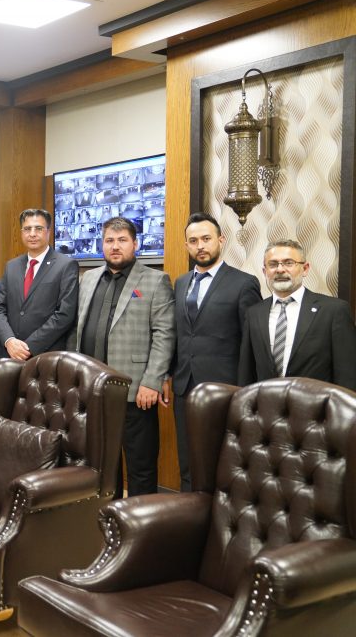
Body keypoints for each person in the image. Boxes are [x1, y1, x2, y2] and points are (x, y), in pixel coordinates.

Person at [69, 216, 174, 497]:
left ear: (135, 244)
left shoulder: (155, 280)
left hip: (136, 390)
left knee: (140, 466)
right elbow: (78, 328)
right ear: (102, 245)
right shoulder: (88, 279)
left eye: (122, 240)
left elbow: (164, 334)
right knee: (104, 466)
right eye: (109, 241)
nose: (115, 246)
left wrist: (152, 381)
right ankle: (108, 517)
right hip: (93, 390)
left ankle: (140, 522)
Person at [162, 212, 260, 491]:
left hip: (225, 388)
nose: (200, 246)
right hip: (185, 386)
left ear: (221, 240)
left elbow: (251, 341)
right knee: (188, 460)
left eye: (206, 239)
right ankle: (188, 511)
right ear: (186, 246)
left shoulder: (244, 283)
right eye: (193, 241)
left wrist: (246, 389)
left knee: (223, 462)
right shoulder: (181, 283)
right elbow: (179, 334)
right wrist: (168, 375)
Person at [239, 239, 356, 390]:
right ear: (264, 271)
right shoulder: (254, 313)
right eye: (273, 264)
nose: (280, 270)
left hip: (315, 403)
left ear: (305, 269)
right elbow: (246, 372)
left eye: (288, 263)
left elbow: (347, 374)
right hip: (267, 403)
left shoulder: (334, 311)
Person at [0, 208, 78, 361]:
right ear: (21, 233)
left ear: (48, 232)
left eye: (38, 228)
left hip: (45, 356)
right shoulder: (11, 266)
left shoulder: (66, 265)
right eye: (27, 229)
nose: (32, 234)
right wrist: (9, 340)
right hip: (9, 355)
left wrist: (29, 346)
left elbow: (65, 314)